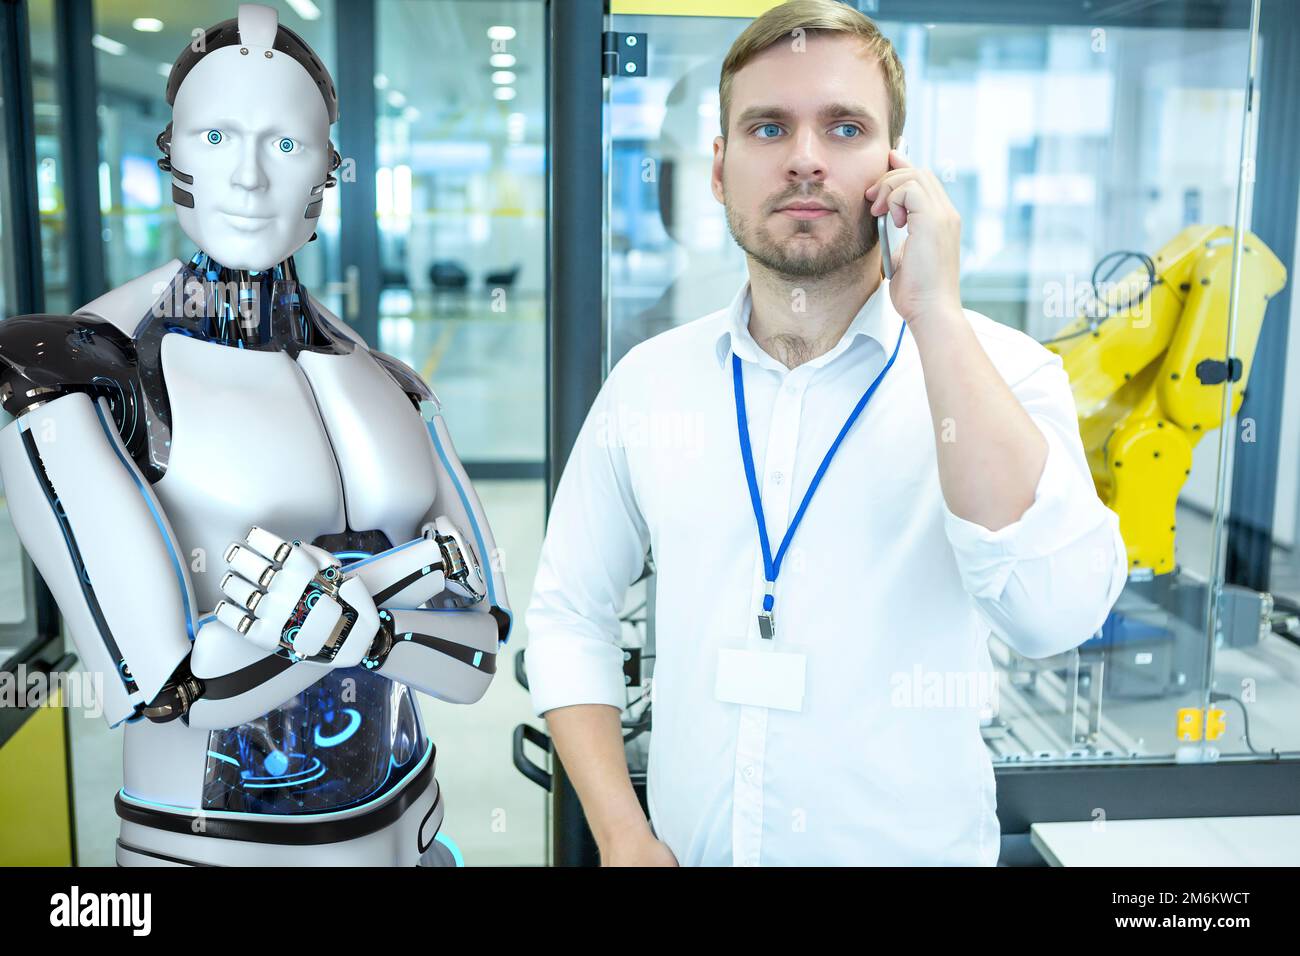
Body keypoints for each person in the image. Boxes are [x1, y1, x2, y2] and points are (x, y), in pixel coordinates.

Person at [524, 0, 1127, 866]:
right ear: (721, 169)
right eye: (769, 128)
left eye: (844, 128)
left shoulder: (1003, 370)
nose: (805, 159)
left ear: (895, 168)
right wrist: (622, 836)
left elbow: (1053, 615)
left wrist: (938, 317)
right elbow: (568, 616)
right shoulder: (651, 384)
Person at [0, 3, 509, 865]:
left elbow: (484, 649)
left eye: (284, 145)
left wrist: (341, 618)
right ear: (172, 152)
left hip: (415, 827)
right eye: (216, 138)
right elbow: (165, 684)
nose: (247, 179)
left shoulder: (387, 379)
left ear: (328, 169)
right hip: (216, 845)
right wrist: (407, 581)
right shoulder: (70, 368)